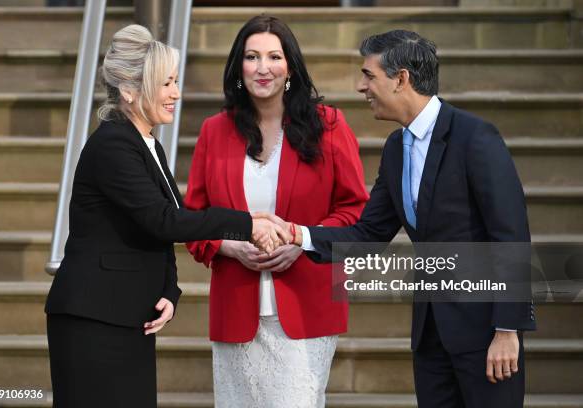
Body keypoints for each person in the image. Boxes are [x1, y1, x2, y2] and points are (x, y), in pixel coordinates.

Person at [272, 30, 536, 408]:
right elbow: (369, 233)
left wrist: (507, 330)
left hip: (485, 336)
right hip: (430, 339)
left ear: (401, 80)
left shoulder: (475, 138)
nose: (361, 86)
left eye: (369, 75)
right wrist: (299, 235)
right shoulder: (397, 148)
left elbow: (510, 235)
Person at [44, 24, 288, 408]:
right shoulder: (112, 145)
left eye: (176, 82)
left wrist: (168, 289)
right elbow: (164, 221)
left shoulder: (147, 143)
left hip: (126, 318)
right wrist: (247, 224)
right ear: (129, 91)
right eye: (166, 83)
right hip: (93, 322)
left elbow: (166, 219)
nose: (176, 93)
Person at [184, 15, 369, 408]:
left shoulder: (330, 126)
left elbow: (354, 211)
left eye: (274, 56)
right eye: (252, 57)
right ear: (238, 67)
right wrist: (229, 247)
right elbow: (193, 219)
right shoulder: (214, 131)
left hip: (309, 306)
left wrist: (302, 242)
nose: (263, 67)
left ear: (290, 67)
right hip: (235, 308)